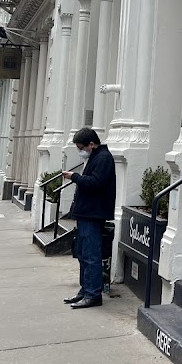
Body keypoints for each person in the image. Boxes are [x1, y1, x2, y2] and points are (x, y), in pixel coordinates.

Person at [63, 127, 116, 309]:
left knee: (91, 255)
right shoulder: (97, 157)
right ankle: (85, 290)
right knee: (83, 254)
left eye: (81, 147)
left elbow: (95, 183)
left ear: (91, 144)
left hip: (93, 214)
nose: (80, 151)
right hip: (88, 213)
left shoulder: (103, 158)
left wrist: (75, 177)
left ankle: (92, 294)